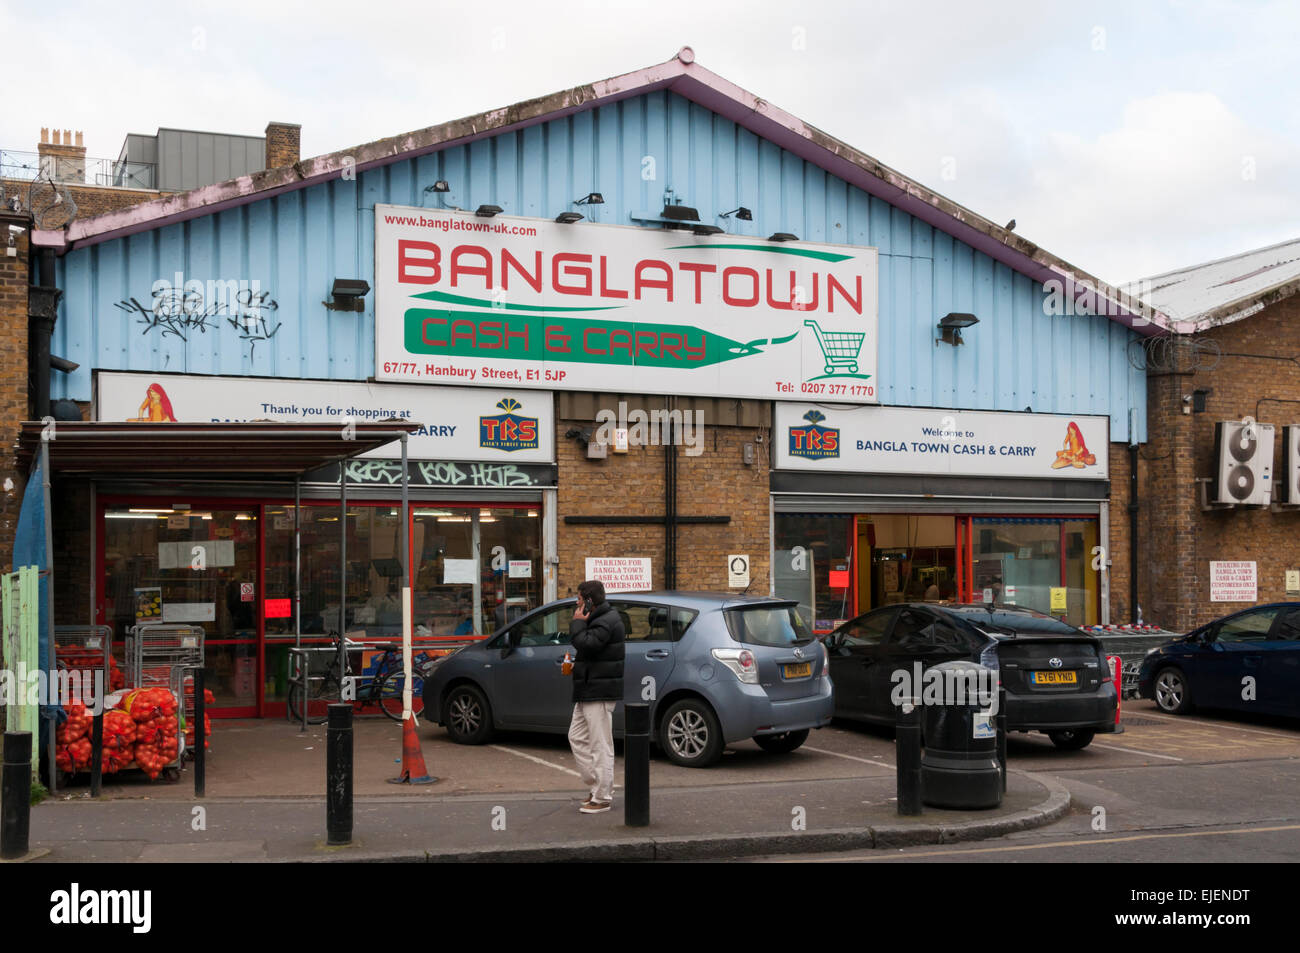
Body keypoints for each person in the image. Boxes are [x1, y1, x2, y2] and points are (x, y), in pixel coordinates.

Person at [567, 579, 625, 814]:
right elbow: (591, 651)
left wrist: (577, 623)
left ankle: (602, 796)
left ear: (589, 600)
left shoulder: (606, 620)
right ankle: (595, 784)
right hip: (588, 689)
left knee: (601, 744)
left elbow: (587, 644)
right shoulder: (598, 618)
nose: (577, 604)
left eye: (579, 599)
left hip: (599, 691)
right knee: (576, 736)